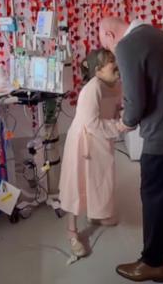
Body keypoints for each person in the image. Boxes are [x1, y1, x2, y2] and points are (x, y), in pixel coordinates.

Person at [99, 17, 163, 282]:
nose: (112, 54)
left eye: (107, 47)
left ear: (110, 34)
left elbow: (135, 100)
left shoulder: (127, 45)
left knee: (154, 196)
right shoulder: (161, 37)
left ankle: (154, 262)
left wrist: (124, 123)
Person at [58, 48, 123, 257]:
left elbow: (115, 108)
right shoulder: (92, 88)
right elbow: (92, 123)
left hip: (100, 141)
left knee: (99, 179)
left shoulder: (113, 84)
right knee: (77, 184)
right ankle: (71, 231)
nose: (116, 66)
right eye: (111, 63)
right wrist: (120, 126)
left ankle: (96, 214)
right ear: (97, 70)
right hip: (83, 142)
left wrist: (123, 115)